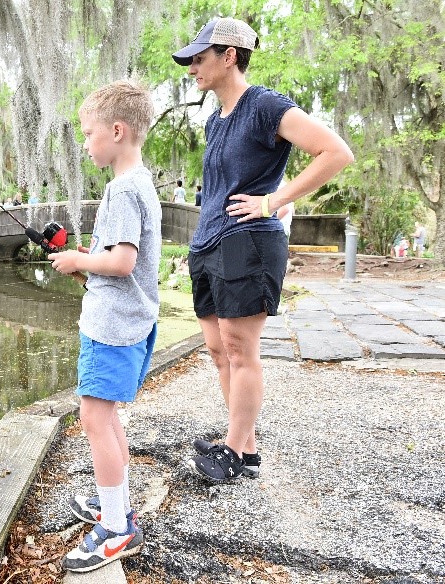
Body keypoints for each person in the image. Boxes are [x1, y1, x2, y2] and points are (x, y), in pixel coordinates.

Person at [172, 17, 353, 483]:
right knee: (216, 348)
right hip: (209, 242)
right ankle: (245, 446)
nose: (191, 67)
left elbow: (335, 152)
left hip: (247, 241)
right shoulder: (215, 120)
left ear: (228, 56)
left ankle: (234, 452)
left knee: (239, 346)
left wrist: (275, 200)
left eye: (199, 57)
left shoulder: (265, 106)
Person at [47, 79, 161, 573]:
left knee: (95, 420)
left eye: (89, 132)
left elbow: (120, 261)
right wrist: (86, 261)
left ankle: (117, 529)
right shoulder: (143, 183)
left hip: (111, 327)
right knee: (107, 417)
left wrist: (77, 258)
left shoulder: (120, 190)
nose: (86, 141)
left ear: (117, 131)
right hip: (131, 321)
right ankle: (115, 504)